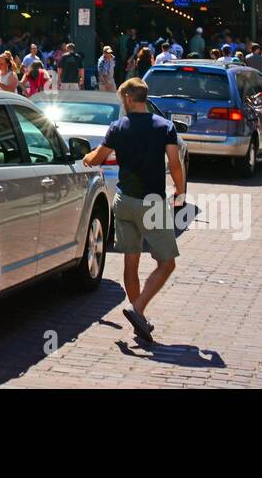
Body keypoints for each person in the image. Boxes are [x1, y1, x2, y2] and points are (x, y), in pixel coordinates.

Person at [84, 78, 185, 341]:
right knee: (166, 263)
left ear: (128, 98)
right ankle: (137, 308)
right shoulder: (165, 126)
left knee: (131, 260)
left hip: (124, 200)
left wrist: (85, 157)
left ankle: (137, 317)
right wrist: (180, 191)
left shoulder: (117, 127)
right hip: (152, 202)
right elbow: (174, 163)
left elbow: (96, 158)